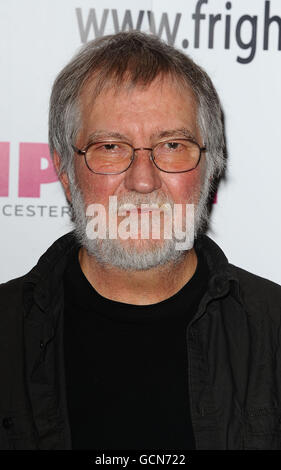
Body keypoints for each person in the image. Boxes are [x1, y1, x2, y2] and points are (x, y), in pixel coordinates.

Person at [0, 31, 281, 451]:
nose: (143, 180)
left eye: (172, 145)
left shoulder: (273, 331)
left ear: (211, 167)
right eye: (110, 147)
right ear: (63, 171)